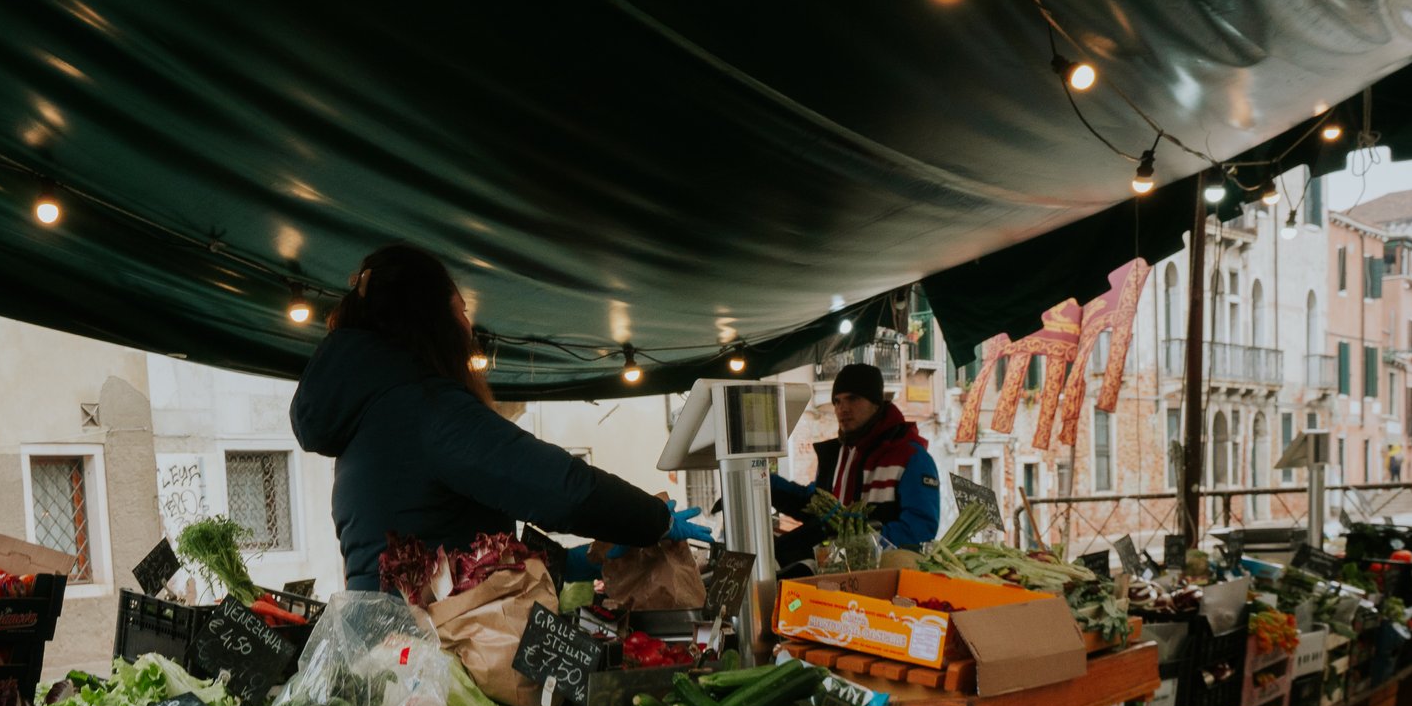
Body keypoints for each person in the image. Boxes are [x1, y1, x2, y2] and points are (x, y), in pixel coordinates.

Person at [291, 243, 710, 590]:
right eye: (461, 309)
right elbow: (557, 487)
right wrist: (655, 520)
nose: (469, 326)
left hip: (399, 647)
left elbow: (449, 537)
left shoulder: (374, 413)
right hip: (431, 653)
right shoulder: (426, 408)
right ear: (431, 322)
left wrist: (574, 562)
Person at [770, 362, 941, 569]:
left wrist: (858, 542)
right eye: (837, 401)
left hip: (885, 577)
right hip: (835, 570)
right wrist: (766, 485)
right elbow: (813, 504)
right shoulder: (838, 455)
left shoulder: (911, 456)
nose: (843, 409)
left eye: (853, 398)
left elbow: (919, 529)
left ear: (876, 403)